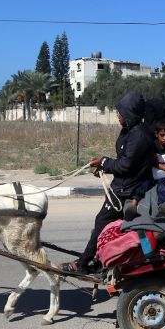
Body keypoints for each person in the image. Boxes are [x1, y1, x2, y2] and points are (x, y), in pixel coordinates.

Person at [62, 91, 153, 274]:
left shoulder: (139, 135)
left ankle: (83, 263)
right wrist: (106, 167)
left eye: (121, 113)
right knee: (123, 227)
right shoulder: (130, 129)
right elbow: (125, 161)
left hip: (126, 191)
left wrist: (104, 162)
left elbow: (126, 165)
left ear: (130, 113)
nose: (118, 116)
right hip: (123, 186)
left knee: (102, 222)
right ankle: (106, 259)